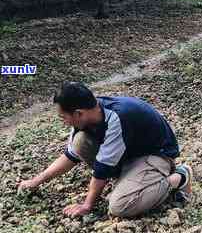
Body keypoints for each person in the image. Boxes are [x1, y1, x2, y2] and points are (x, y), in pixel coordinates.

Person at [18, 81, 192, 218]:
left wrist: (87, 206)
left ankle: (180, 176)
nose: (63, 121)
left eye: (63, 117)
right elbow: (70, 155)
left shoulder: (117, 117)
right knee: (80, 142)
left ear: (78, 113)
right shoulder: (88, 115)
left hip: (156, 154)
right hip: (130, 152)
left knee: (120, 205)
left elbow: (101, 169)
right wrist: (36, 181)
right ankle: (131, 178)